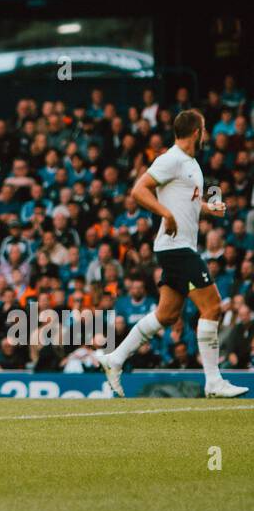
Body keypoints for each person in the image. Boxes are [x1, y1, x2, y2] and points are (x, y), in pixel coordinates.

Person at [95, 109, 246, 399]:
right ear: (196, 132)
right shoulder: (171, 159)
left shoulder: (191, 165)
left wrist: (207, 207)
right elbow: (139, 190)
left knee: (166, 314)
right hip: (176, 247)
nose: (206, 134)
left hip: (178, 247)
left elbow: (185, 200)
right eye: (204, 129)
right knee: (213, 307)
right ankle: (213, 381)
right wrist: (164, 213)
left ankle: (114, 359)